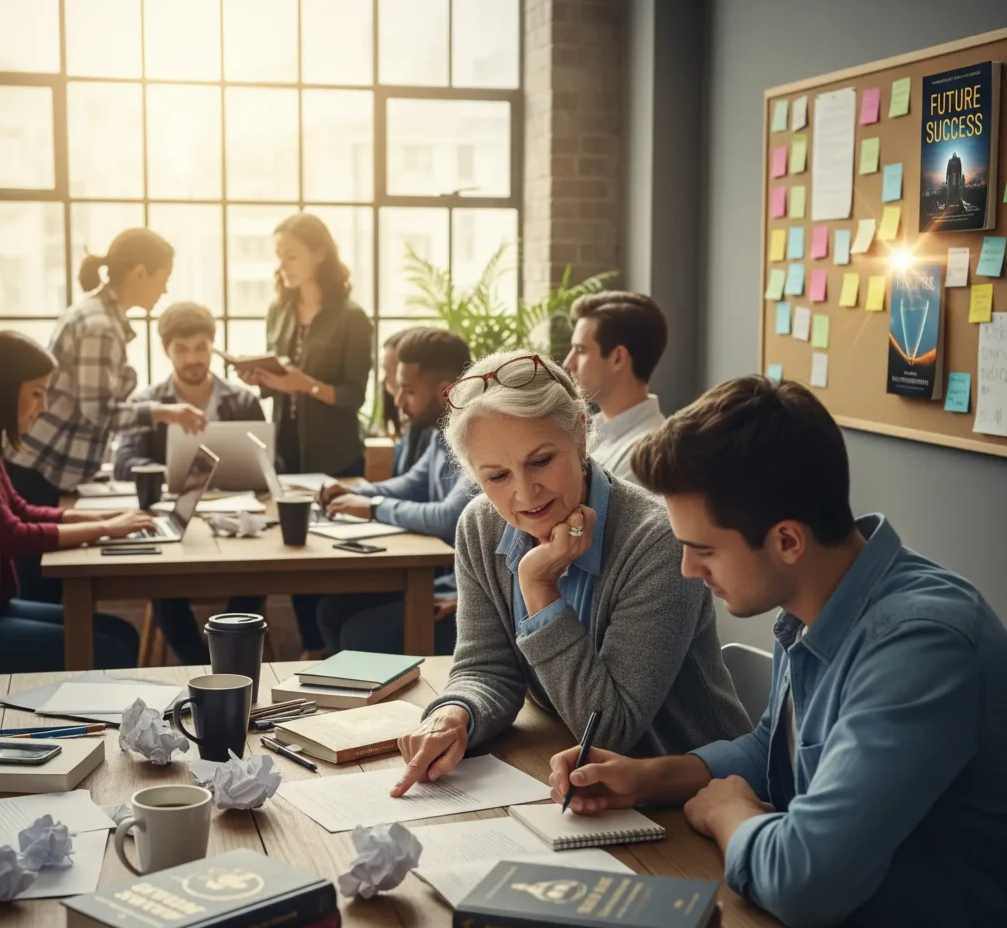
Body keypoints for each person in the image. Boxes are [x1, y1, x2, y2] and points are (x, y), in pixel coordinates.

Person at [547, 376, 1007, 928]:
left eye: (703, 549)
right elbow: (779, 747)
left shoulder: (921, 646)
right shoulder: (814, 600)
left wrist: (730, 816)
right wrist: (651, 777)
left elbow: (806, 880)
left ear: (788, 540)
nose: (688, 570)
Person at [391, 350, 750, 798]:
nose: (525, 493)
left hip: (698, 794)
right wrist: (456, 714)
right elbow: (485, 666)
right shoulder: (481, 526)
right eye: (497, 476)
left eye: (541, 460)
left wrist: (539, 589)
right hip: (585, 782)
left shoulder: (656, 541)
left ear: (579, 433)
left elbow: (609, 729)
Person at [4, 227, 207, 602]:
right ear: (140, 273)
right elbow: (97, 412)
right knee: (43, 596)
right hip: (36, 471)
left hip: (39, 469)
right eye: (163, 278)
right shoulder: (100, 325)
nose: (165, 290)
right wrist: (164, 412)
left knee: (44, 594)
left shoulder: (99, 316)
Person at [0, 331, 152, 671]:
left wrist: (102, 519)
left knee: (122, 634)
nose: (44, 407)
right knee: (110, 650)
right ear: (4, 389)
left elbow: (20, 509)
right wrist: (105, 529)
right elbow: (12, 535)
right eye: (36, 393)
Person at [113, 302, 265, 664]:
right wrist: (168, 473)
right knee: (162, 581)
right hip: (177, 520)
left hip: (235, 523)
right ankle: (204, 667)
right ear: (166, 350)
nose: (192, 358)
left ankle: (229, 660)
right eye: (181, 349)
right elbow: (123, 463)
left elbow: (271, 464)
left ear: (213, 346)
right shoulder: (147, 403)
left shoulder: (243, 401)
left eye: (200, 347)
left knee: (257, 573)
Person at [313, 327, 475, 656]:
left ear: (446, 392)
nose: (398, 401)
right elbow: (412, 484)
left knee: (361, 634)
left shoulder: (479, 437)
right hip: (443, 579)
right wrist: (352, 494)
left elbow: (449, 518)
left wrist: (373, 506)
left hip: (469, 593)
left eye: (408, 391)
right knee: (332, 612)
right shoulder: (442, 430)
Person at [238, 213, 372, 478]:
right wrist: (261, 378)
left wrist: (305, 385)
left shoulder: (352, 317)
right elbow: (281, 381)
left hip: (335, 455)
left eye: (291, 256)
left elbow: (353, 396)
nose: (282, 266)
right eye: (279, 257)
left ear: (319, 254)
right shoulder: (278, 310)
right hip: (283, 451)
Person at [564, 291, 667, 485]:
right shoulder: (592, 434)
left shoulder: (645, 456)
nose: (568, 363)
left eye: (581, 350)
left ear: (618, 358)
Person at [381, 331, 436, 477]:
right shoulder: (413, 422)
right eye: (384, 369)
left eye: (393, 370)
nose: (385, 379)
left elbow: (416, 484)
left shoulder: (429, 425)